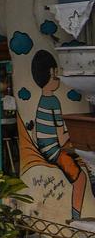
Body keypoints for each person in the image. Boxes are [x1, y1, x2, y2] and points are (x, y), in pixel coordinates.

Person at [30, 50, 91, 220]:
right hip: (54, 150)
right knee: (81, 180)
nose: (59, 79)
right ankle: (76, 219)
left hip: (47, 147)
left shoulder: (43, 101)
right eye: (56, 75)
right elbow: (61, 137)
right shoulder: (53, 102)